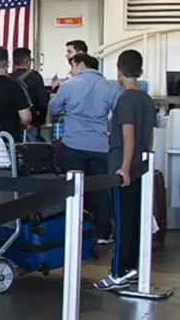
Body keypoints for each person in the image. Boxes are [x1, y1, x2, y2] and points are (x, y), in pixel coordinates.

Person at [95, 49, 155, 291]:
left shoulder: (125, 100)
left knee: (122, 220)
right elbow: (146, 137)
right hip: (141, 166)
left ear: (119, 72)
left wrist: (125, 168)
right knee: (134, 220)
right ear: (140, 72)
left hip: (123, 168)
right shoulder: (147, 100)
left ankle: (118, 271)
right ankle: (131, 268)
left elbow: (127, 135)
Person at [49, 52, 119, 244]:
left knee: (72, 188)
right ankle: (104, 233)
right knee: (101, 189)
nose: (71, 70)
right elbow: (118, 113)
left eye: (72, 66)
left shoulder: (69, 85)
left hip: (73, 144)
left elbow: (54, 108)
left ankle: (72, 230)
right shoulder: (111, 87)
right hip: (99, 146)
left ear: (81, 65)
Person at [10, 47, 49, 141]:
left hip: (12, 125)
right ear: (28, 61)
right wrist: (39, 121)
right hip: (31, 124)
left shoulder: (8, 78)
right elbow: (42, 102)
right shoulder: (35, 77)